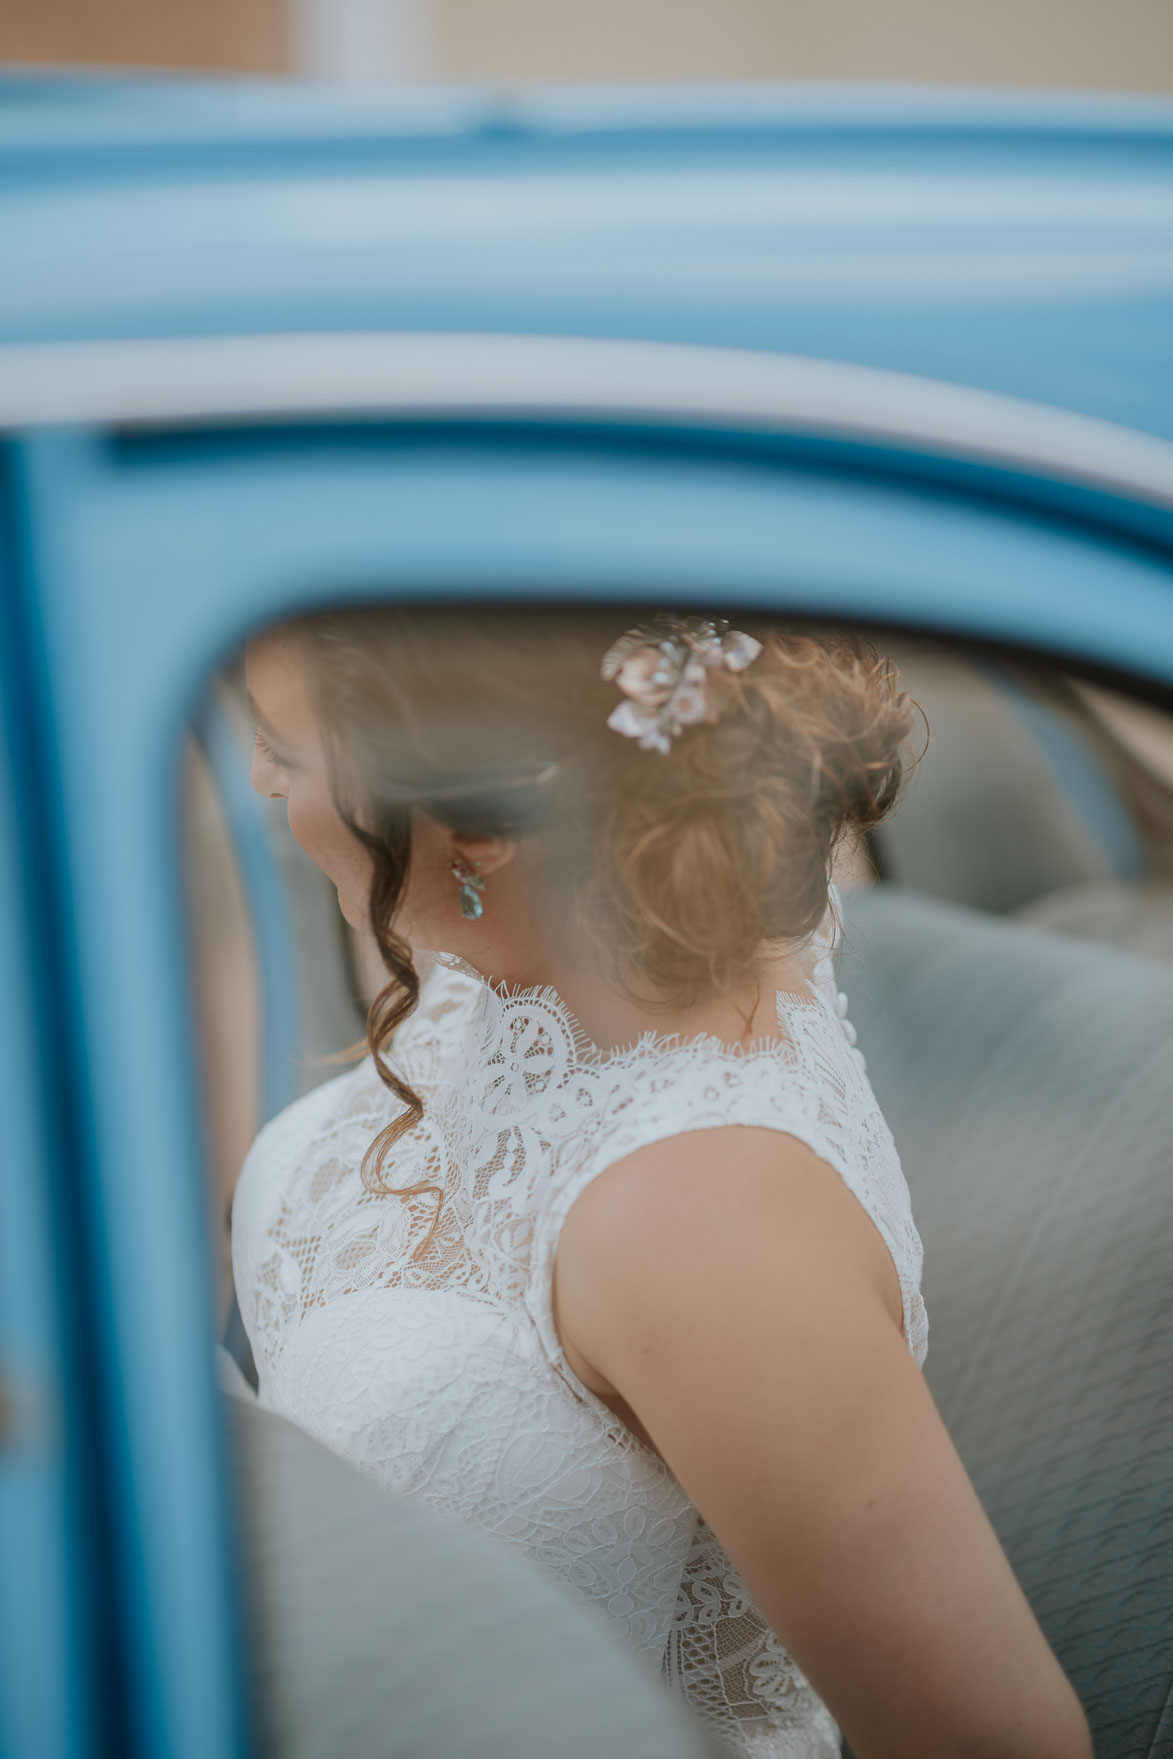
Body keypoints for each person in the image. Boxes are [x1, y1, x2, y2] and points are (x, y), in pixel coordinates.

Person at [232, 607, 1091, 1759]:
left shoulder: (702, 1221)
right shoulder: (526, 958)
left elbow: (993, 1743)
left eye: (285, 755)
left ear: (474, 816)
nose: (253, 781)